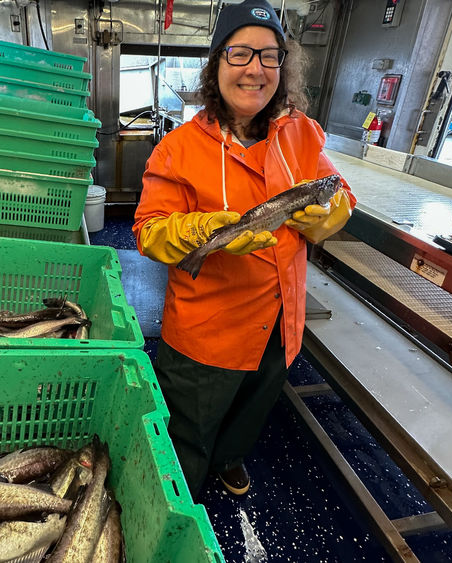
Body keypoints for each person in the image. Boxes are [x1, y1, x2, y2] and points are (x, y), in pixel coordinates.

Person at [132, 0, 356, 499]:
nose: (255, 68)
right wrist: (200, 231)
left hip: (280, 318)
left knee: (253, 405)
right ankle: (176, 492)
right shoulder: (180, 148)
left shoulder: (300, 131)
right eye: (239, 53)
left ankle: (229, 457)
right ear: (216, 65)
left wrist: (332, 214)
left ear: (283, 65)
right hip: (209, 329)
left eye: (269, 55)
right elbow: (149, 231)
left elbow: (336, 188)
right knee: (189, 422)